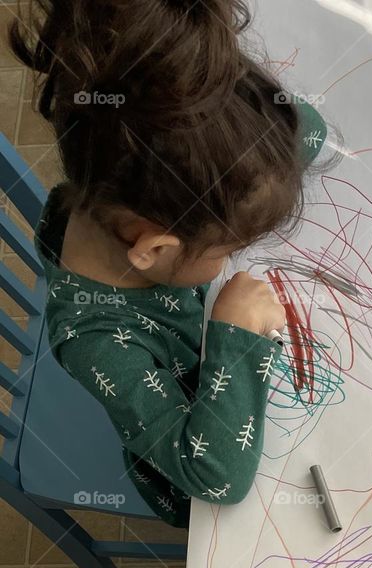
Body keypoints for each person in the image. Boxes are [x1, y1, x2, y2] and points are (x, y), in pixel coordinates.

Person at [11, 0, 334, 525]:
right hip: (187, 459)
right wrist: (235, 340)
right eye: (226, 249)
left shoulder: (119, 173)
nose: (236, 257)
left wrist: (223, 112)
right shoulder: (95, 341)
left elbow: (310, 131)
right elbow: (214, 476)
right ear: (155, 249)